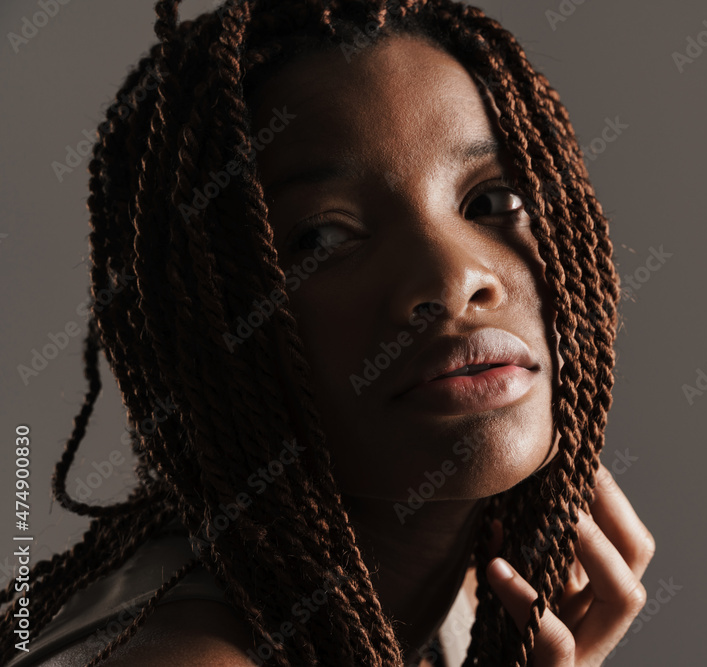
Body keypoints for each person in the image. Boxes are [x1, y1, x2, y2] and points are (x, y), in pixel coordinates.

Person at [0, 0, 655, 665]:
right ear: (211, 319)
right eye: (324, 237)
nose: (453, 277)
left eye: (489, 202)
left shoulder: (457, 603)